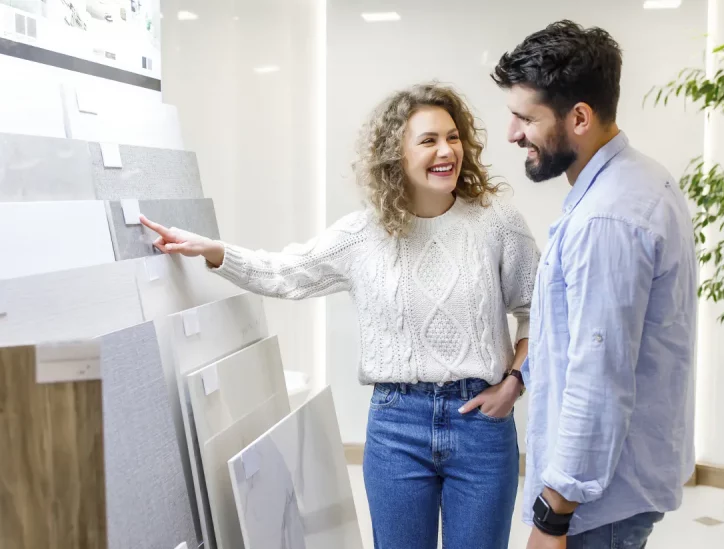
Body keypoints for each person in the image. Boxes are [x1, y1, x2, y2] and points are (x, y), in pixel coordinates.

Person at [141, 83, 539, 549]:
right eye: (428, 140)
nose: (446, 150)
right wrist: (215, 251)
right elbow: (284, 272)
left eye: (453, 137)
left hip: (481, 427)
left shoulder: (497, 224)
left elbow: (538, 314)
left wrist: (514, 383)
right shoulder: (365, 235)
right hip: (397, 427)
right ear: (396, 153)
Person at [492, 20, 698, 549]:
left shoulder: (608, 218)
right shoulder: (639, 180)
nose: (512, 133)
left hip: (595, 507)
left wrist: (552, 518)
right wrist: (519, 378)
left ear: (579, 117)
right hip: (613, 492)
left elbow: (598, 376)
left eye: (524, 117)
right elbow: (580, 340)